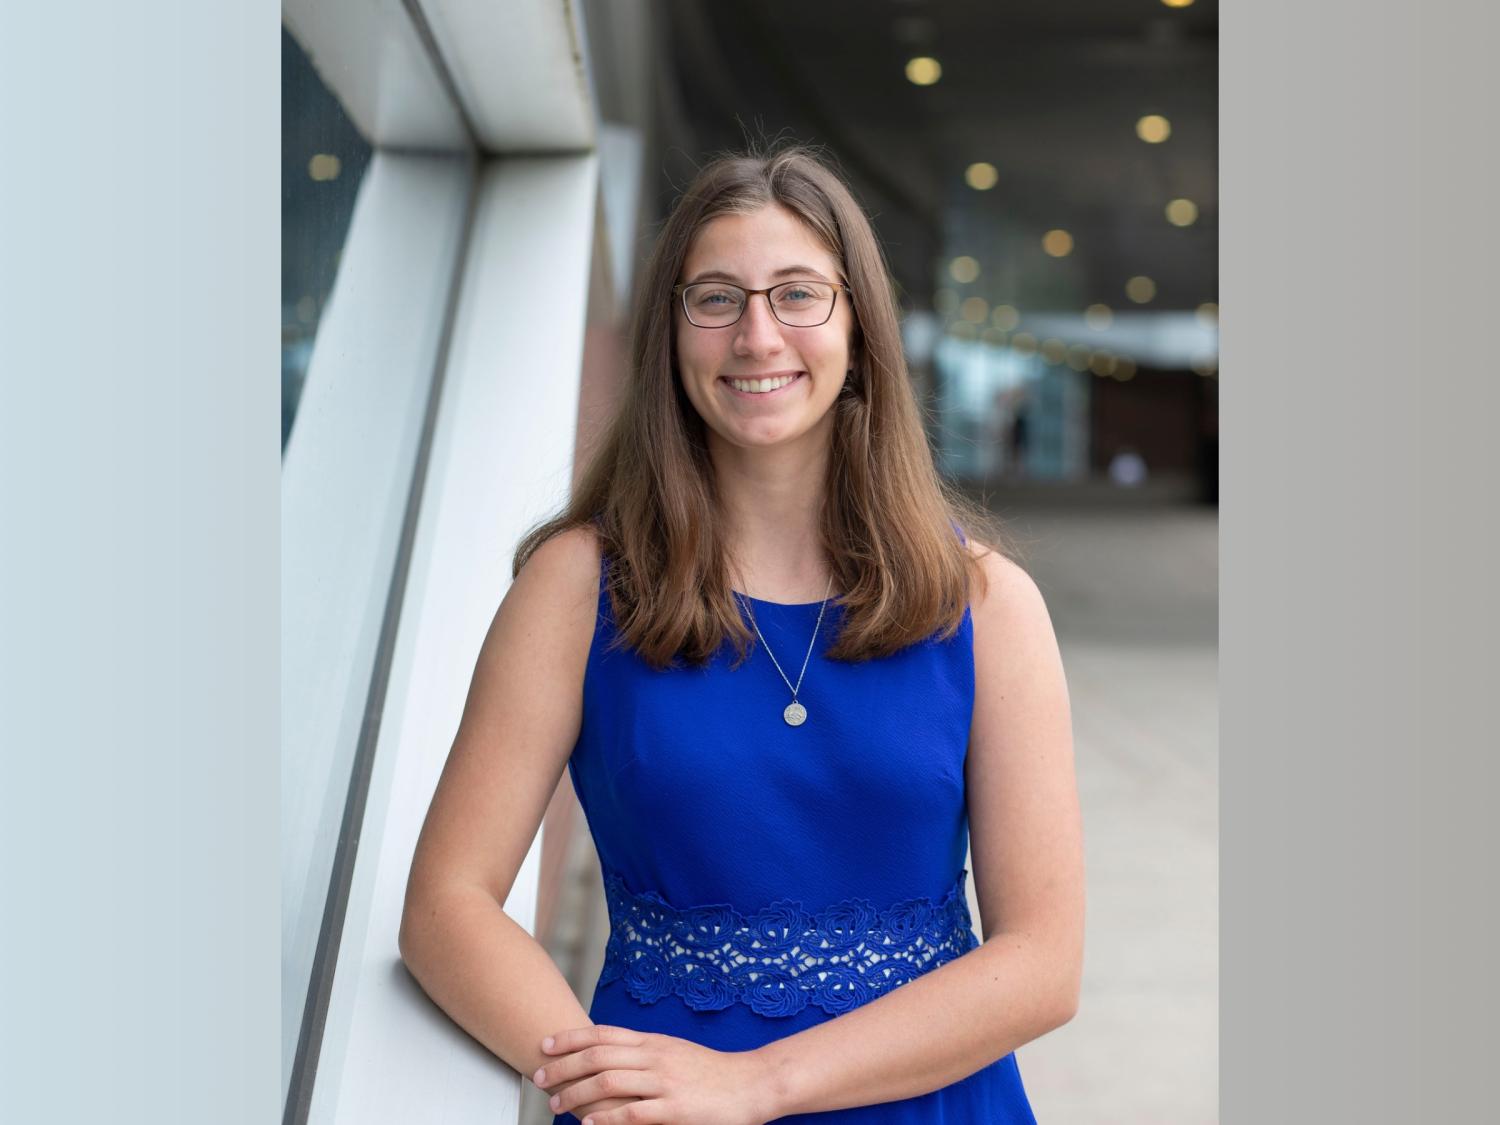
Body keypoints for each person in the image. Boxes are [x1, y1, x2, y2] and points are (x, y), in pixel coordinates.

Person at [398, 142, 1084, 1124]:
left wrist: (757, 1086)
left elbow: (1044, 965)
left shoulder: (987, 606)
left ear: (859, 328)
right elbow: (448, 903)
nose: (757, 335)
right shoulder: (576, 587)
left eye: (797, 293)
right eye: (715, 298)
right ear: (672, 334)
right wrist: (597, 1083)